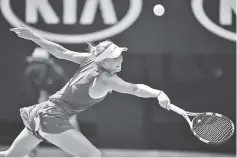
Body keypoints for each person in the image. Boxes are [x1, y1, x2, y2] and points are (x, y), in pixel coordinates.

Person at [0, 25, 171, 157]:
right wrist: (158, 93)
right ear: (103, 62)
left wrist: (33, 37)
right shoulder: (106, 78)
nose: (119, 59)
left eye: (119, 55)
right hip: (52, 116)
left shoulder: (90, 60)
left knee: (10, 155)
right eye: (114, 57)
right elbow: (134, 89)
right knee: (92, 155)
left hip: (41, 112)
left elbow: (61, 52)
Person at [24, 48, 80, 157]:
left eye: (40, 63)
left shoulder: (57, 73)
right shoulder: (30, 73)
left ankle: (77, 153)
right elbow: (38, 90)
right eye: (35, 62)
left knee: (70, 126)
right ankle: (30, 153)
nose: (37, 65)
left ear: (46, 64)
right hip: (47, 96)